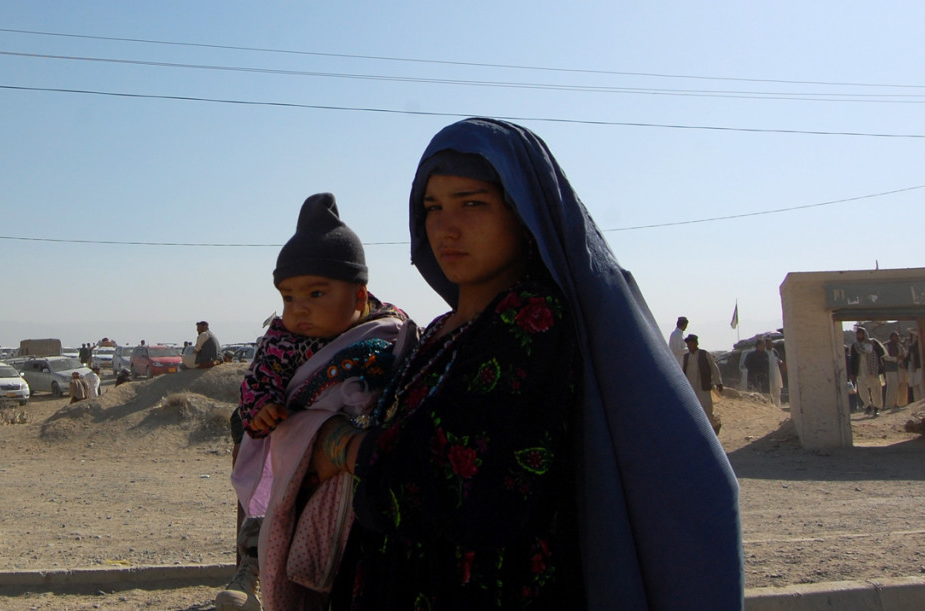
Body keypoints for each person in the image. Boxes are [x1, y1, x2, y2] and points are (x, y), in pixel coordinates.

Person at [309, 118, 742, 610]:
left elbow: (448, 483)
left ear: (522, 212)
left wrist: (340, 447)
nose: (445, 227)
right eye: (432, 207)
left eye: (473, 203)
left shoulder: (533, 318)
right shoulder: (439, 331)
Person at [217, 193, 414, 611]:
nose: (299, 309)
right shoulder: (283, 340)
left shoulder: (390, 333)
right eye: (289, 297)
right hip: (292, 455)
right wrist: (263, 409)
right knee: (271, 519)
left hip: (360, 475)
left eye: (316, 294)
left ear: (360, 297)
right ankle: (249, 565)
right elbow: (257, 382)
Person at [681, 334, 724, 433]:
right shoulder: (686, 357)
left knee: (706, 408)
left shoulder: (704, 354)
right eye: (688, 344)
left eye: (691, 344)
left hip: (703, 386)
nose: (690, 346)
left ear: (696, 344)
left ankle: (715, 424)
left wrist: (718, 382)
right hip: (691, 388)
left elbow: (714, 368)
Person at [849, 326, 885, 416]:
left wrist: (875, 347)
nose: (859, 336)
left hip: (873, 369)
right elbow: (853, 359)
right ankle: (867, 406)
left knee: (876, 388)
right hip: (861, 369)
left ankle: (877, 407)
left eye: (861, 334)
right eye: (858, 334)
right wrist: (852, 373)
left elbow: (882, 353)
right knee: (862, 389)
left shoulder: (873, 342)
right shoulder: (855, 346)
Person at [884, 332, 908, 409]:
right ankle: (889, 405)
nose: (897, 338)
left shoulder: (900, 346)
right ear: (891, 337)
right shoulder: (887, 346)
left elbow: (904, 354)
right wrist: (896, 358)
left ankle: (900, 403)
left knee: (901, 385)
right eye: (895, 336)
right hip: (891, 369)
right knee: (892, 387)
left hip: (900, 368)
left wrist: (902, 360)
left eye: (897, 336)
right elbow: (886, 357)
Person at [765, 337, 785, 405]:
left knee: (777, 391)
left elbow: (778, 359)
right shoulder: (764, 353)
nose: (770, 345)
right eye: (768, 344)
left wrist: (779, 361)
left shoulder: (774, 351)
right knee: (769, 391)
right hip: (769, 374)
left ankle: (777, 406)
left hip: (776, 373)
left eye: (771, 343)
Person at [906, 329, 924, 402]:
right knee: (915, 384)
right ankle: (918, 400)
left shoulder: (918, 343)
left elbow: (916, 352)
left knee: (920, 383)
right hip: (913, 366)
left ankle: (922, 398)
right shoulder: (911, 344)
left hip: (918, 366)